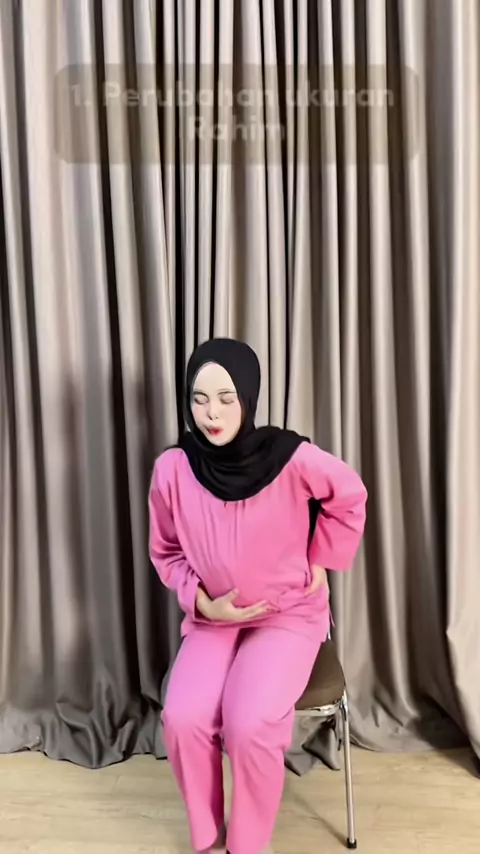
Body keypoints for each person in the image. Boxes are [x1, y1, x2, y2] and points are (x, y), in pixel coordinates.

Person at [148, 338, 367, 854]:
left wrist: (320, 557)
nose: (212, 413)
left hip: (287, 616)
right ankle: (208, 838)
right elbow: (166, 551)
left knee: (248, 723)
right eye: (200, 399)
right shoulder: (173, 468)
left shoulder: (290, 457)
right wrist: (202, 602)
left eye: (226, 398)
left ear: (248, 398)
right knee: (183, 717)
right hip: (212, 620)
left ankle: (247, 845)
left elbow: (349, 495)